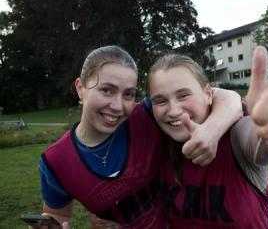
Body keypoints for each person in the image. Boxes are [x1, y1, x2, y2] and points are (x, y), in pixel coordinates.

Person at [36, 45, 243, 229]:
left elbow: (227, 97)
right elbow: (56, 214)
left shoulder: (146, 116)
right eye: (106, 90)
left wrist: (211, 131)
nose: (117, 106)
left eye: (128, 94)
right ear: (80, 89)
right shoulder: (55, 162)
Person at [147, 46, 268, 228]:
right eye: (160, 101)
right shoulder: (157, 143)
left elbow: (259, 145)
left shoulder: (235, 133)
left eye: (183, 95)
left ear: (208, 94)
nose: (173, 111)